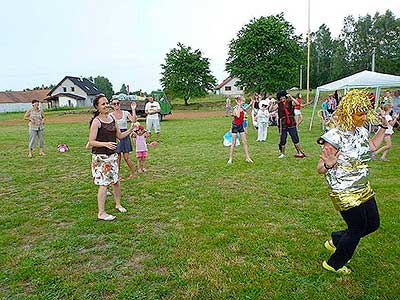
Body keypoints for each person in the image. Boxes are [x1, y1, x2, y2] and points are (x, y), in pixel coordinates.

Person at [317, 89, 388, 274]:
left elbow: (371, 146)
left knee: (372, 224)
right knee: (357, 227)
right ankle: (334, 263)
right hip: (343, 189)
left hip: (363, 186)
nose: (364, 118)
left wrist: (383, 127)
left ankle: (337, 240)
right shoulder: (334, 136)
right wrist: (329, 164)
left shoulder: (362, 131)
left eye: (365, 113)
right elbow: (320, 169)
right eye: (360, 114)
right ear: (348, 113)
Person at [89, 94, 135, 221]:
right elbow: (91, 141)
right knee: (104, 184)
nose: (106, 105)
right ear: (97, 107)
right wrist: (105, 144)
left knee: (116, 181)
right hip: (101, 158)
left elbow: (119, 136)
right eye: (103, 104)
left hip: (112, 156)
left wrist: (131, 129)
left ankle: (118, 204)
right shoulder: (96, 122)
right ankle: (101, 213)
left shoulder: (112, 118)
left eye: (106, 102)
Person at [110, 99, 138, 180]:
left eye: (117, 103)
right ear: (112, 105)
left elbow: (133, 120)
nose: (116, 105)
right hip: (116, 136)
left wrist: (133, 109)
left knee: (126, 157)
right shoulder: (111, 115)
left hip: (125, 135)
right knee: (117, 157)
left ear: (120, 104)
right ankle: (117, 176)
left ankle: (133, 173)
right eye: (114, 104)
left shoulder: (125, 113)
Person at [276, 91, 305, 158]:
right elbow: (271, 109)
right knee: (283, 139)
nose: (282, 98)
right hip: (283, 124)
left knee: (295, 137)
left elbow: (297, 103)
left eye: (283, 97)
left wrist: (291, 97)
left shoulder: (290, 102)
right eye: (280, 97)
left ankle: (299, 152)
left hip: (291, 123)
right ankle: (282, 153)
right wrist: (271, 104)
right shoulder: (279, 104)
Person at [227, 96, 253, 164]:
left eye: (244, 101)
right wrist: (238, 105)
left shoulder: (242, 108)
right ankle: (230, 159)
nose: (244, 103)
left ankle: (248, 158)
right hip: (235, 126)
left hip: (240, 126)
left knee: (245, 142)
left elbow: (246, 108)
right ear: (239, 101)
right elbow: (238, 116)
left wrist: (251, 103)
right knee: (233, 143)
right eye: (243, 101)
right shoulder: (235, 109)